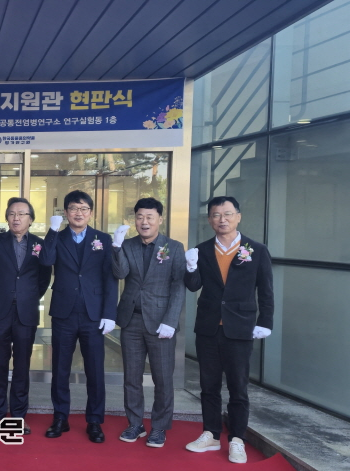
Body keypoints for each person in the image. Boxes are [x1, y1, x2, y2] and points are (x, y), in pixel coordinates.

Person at [184, 196, 273, 464]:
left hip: (240, 328)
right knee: (208, 386)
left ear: (238, 217)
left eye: (227, 214)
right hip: (208, 327)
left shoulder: (256, 250)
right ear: (209, 219)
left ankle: (237, 439)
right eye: (216, 215)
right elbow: (193, 285)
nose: (222, 219)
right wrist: (190, 267)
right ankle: (210, 434)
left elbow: (266, 291)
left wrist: (265, 322)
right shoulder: (202, 250)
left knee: (238, 387)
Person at [38, 190, 115, 442]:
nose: (78, 213)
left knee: (95, 370)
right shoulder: (57, 237)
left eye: (83, 209)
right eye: (73, 208)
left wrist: (109, 313)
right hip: (64, 313)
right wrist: (52, 231)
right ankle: (60, 417)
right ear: (65, 212)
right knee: (60, 368)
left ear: (90, 213)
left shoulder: (103, 239)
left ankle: (95, 421)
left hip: (94, 315)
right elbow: (45, 260)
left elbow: (110, 278)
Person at [112, 197, 186, 448]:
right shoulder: (127, 245)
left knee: (162, 378)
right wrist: (116, 247)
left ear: (160, 219)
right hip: (131, 320)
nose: (144, 222)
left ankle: (159, 427)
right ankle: (135, 423)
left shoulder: (174, 247)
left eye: (149, 217)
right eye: (140, 217)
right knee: (131, 377)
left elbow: (178, 286)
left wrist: (171, 320)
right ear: (134, 220)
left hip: (161, 322)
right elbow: (120, 273)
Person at [0, 197, 51, 434]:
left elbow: (44, 277)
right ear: (7, 218)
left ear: (31, 219)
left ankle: (18, 416)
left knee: (21, 366)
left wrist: (28, 296)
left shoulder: (40, 244)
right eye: (11, 214)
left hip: (25, 312)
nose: (16, 218)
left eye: (21, 214)